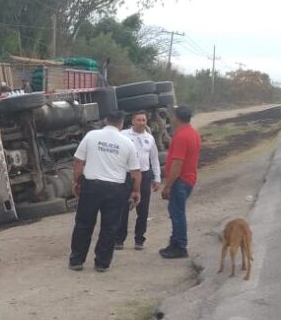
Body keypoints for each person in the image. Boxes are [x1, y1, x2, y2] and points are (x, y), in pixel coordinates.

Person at [69, 111, 141, 272]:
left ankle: (76, 260)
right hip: (116, 189)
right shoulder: (127, 142)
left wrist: (77, 181)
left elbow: (78, 162)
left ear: (106, 121)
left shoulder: (91, 136)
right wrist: (136, 191)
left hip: (91, 186)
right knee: (110, 226)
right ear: (122, 124)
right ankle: (102, 263)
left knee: (83, 224)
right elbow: (135, 171)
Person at [159, 105, 202, 259]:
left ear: (176, 118)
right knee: (176, 212)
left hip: (180, 180)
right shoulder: (192, 133)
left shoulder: (181, 136)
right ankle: (175, 242)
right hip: (187, 179)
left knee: (177, 214)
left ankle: (180, 246)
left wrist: (168, 186)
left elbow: (177, 164)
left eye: (172, 116)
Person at [118, 110, 162, 250]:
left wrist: (157, 178)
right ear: (132, 121)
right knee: (122, 209)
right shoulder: (123, 135)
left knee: (143, 210)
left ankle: (139, 240)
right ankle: (119, 240)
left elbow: (154, 159)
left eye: (144, 120)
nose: (142, 123)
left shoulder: (149, 138)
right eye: (139, 120)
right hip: (126, 176)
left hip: (144, 175)